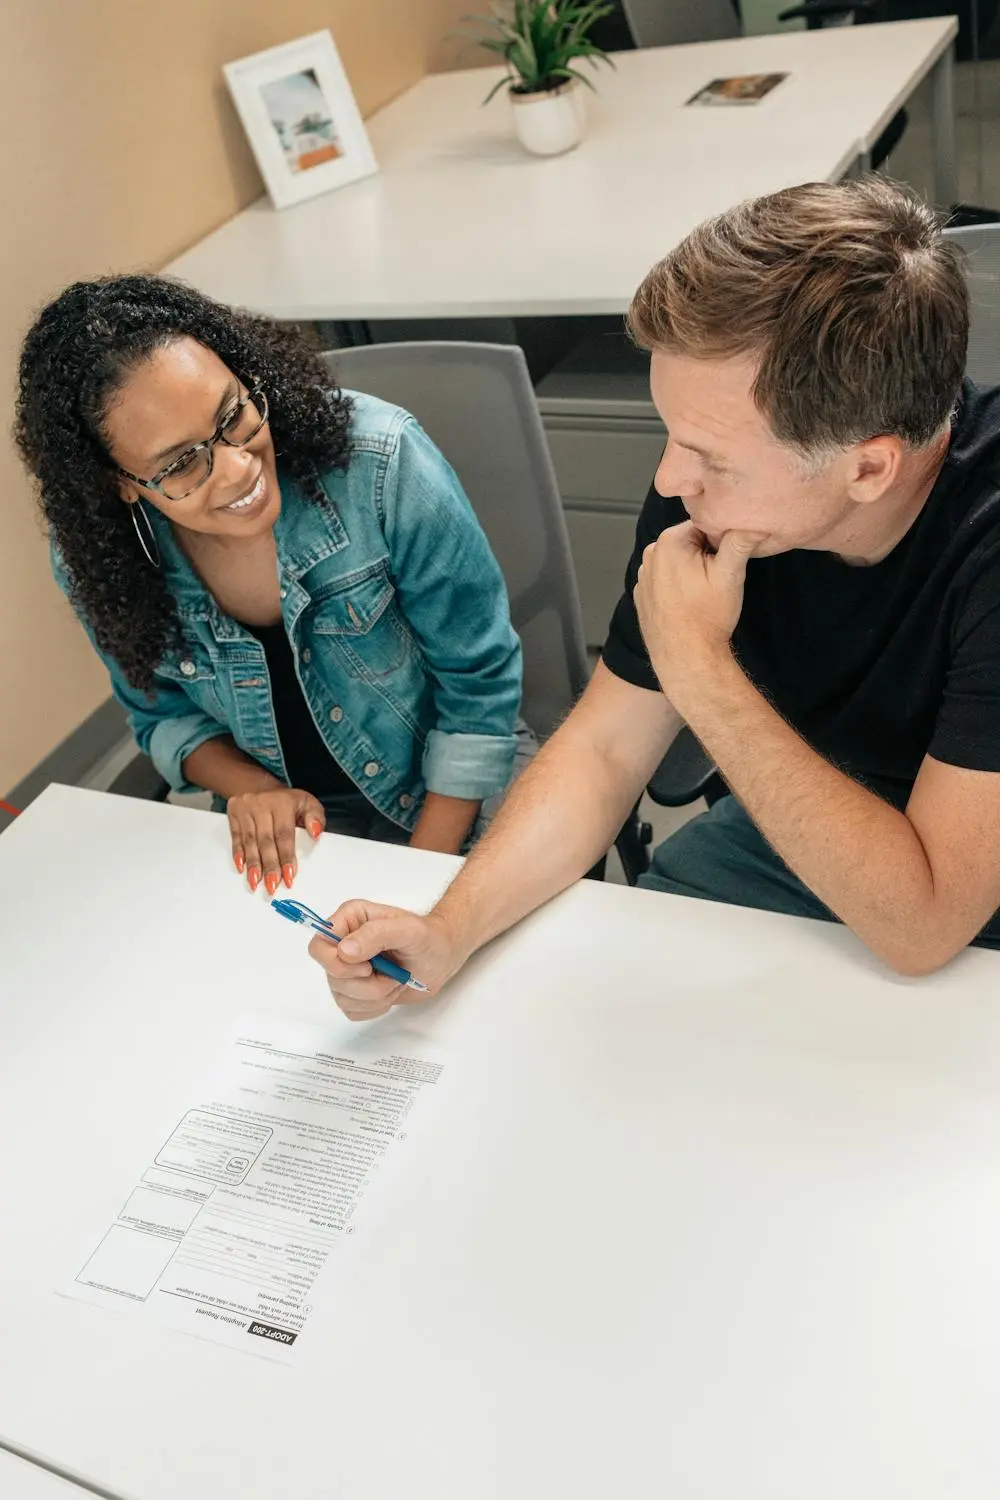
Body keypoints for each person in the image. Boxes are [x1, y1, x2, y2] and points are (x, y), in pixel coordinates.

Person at [306, 175, 1000, 1018]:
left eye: (712, 458)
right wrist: (449, 927)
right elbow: (605, 748)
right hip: (807, 818)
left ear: (868, 467)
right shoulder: (719, 487)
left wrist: (700, 665)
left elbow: (925, 927)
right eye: (672, 437)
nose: (672, 480)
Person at [15, 276, 527, 893]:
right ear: (120, 483)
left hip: (451, 788)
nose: (236, 468)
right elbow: (163, 719)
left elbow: (478, 693)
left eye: (232, 415)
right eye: (180, 464)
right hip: (296, 821)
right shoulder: (100, 562)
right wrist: (252, 788)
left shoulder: (381, 461)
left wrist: (417, 884)